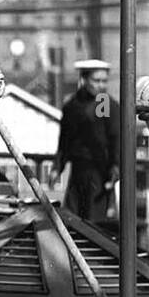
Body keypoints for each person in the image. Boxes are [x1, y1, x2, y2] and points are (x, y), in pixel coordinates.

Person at [56, 59, 119, 223]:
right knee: (72, 217)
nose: (101, 85)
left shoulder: (102, 103)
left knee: (94, 221)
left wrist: (115, 166)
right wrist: (57, 167)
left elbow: (113, 137)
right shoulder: (73, 105)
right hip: (78, 170)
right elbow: (65, 140)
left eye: (104, 81)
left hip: (98, 171)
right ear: (84, 80)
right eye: (96, 80)